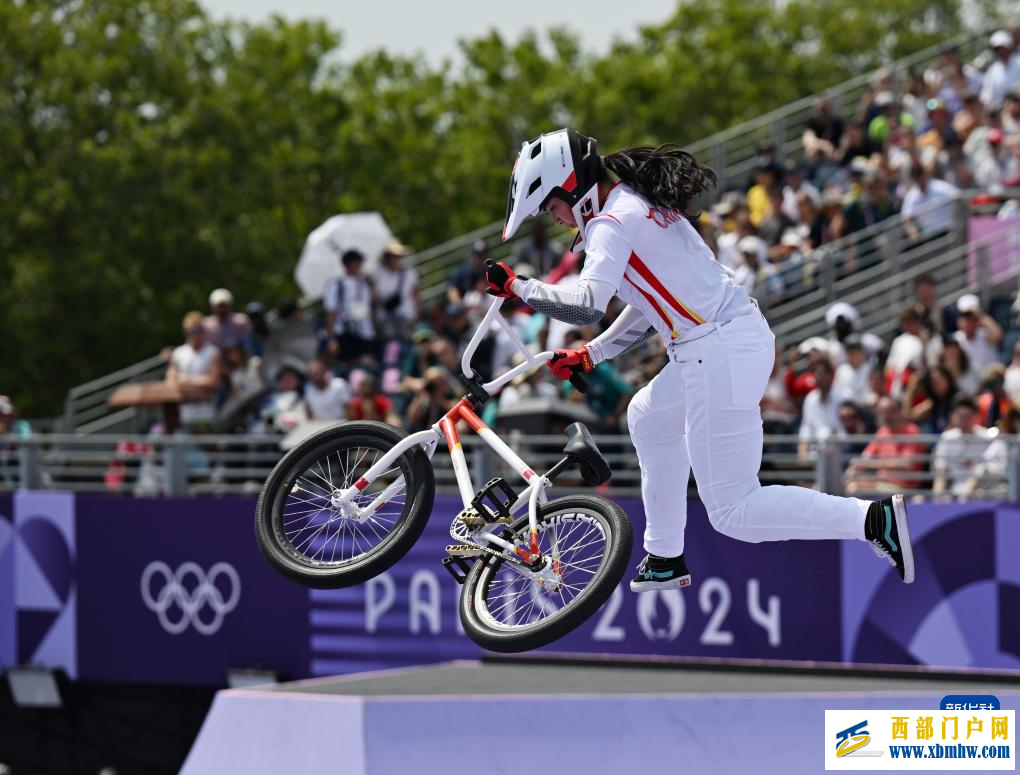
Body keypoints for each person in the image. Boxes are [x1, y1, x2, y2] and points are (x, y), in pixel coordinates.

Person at [487, 128, 918, 591]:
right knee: (647, 417)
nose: (553, 219)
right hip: (721, 343)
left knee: (734, 511)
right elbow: (649, 307)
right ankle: (665, 555)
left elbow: (587, 304)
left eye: (550, 206)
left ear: (571, 185)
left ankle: (872, 520)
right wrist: (592, 353)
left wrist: (518, 287)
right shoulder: (629, 206)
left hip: (716, 349)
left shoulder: (613, 221)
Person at [844, 397, 926, 495]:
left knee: (855, 488)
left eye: (890, 411)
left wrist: (871, 464)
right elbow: (865, 458)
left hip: (905, 488)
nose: (886, 415)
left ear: (899, 411)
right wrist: (852, 470)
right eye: (882, 412)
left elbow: (907, 464)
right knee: (849, 482)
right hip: (882, 483)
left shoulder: (912, 431)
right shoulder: (882, 432)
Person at [166, 311, 222, 431]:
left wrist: (185, 380)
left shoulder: (213, 352)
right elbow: (171, 382)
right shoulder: (179, 353)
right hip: (185, 415)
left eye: (198, 330)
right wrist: (200, 382)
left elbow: (213, 381)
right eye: (192, 331)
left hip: (207, 414)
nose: (195, 334)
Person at [932, 397, 994, 500]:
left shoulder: (987, 438)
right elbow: (941, 471)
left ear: (976, 416)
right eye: (961, 416)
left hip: (984, 493)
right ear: (953, 416)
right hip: (954, 493)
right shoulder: (947, 438)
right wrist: (937, 498)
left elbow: (990, 469)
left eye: (968, 417)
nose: (964, 421)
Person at [323, 250, 377, 362]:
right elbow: (330, 312)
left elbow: (373, 304)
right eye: (358, 262)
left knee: (367, 364)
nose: (360, 265)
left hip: (365, 331)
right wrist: (331, 339)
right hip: (345, 332)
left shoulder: (365, 282)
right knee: (349, 365)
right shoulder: (336, 284)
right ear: (350, 264)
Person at [304, 357, 352, 421]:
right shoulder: (309, 389)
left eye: (317, 371)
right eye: (311, 372)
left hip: (341, 425)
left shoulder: (339, 384)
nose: (314, 374)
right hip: (320, 427)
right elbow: (309, 413)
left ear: (324, 371)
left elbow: (350, 411)